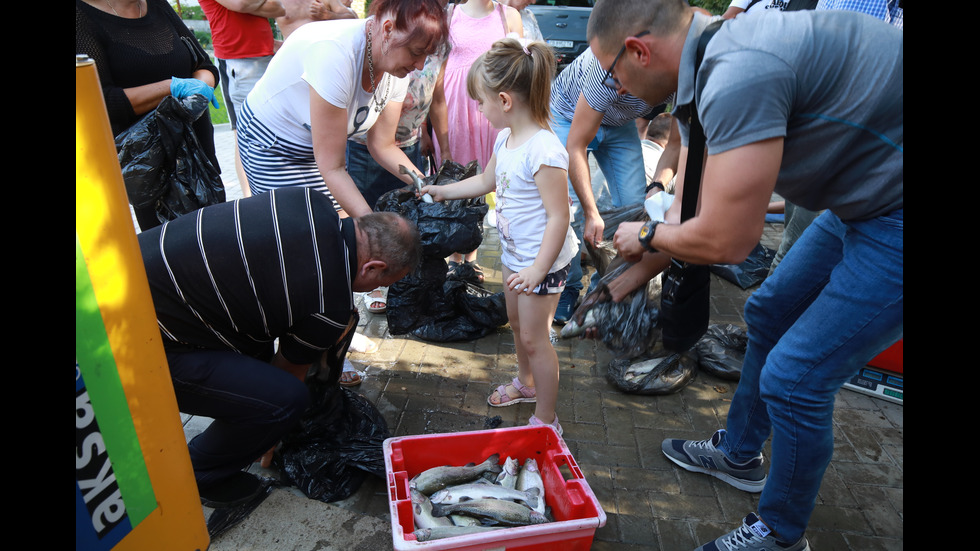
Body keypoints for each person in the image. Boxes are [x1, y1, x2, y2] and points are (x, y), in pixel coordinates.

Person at [587, 2, 902, 550]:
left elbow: (731, 241)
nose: (612, 90)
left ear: (639, 50)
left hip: (894, 215)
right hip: (865, 198)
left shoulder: (740, 70)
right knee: (768, 311)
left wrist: (645, 238)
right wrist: (636, 270)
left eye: (610, 72)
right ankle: (739, 455)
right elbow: (691, 210)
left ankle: (781, 535)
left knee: (795, 380)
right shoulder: (707, 61)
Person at [138, 187, 421, 528]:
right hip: (134, 347)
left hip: (116, 281)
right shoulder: (329, 303)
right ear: (374, 266)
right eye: (388, 281)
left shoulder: (309, 199)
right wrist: (271, 436)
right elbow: (288, 374)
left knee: (257, 357)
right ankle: (198, 473)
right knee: (284, 401)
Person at [420, 38, 577, 435]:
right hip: (515, 256)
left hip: (543, 263)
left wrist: (539, 270)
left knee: (535, 337)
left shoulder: (543, 150)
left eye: (480, 101)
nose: (478, 108)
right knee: (514, 321)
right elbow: (487, 180)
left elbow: (560, 216)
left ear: (504, 100)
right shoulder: (505, 140)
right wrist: (444, 190)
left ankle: (546, 418)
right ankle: (526, 384)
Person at [237, 0, 449, 216]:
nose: (420, 65)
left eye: (427, 55)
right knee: (298, 229)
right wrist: (372, 224)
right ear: (387, 30)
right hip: (272, 143)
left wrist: (427, 184)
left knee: (332, 229)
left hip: (317, 150)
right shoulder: (336, 54)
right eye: (416, 52)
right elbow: (332, 167)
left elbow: (383, 146)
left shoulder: (397, 69)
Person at [76, 0, 224, 232]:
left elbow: (203, 63)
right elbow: (99, 100)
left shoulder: (156, 4)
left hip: (199, 153)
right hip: (151, 168)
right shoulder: (81, 17)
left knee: (219, 240)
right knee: (174, 254)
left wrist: (201, 86)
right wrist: (170, 87)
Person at [547, 46, 662, 323]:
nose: (623, 91)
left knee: (635, 207)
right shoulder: (607, 70)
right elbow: (576, 144)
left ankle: (604, 286)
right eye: (620, 85)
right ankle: (567, 287)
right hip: (568, 114)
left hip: (620, 123)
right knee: (566, 207)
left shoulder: (675, 77)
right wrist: (591, 211)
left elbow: (678, 137)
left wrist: (658, 185)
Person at [429, 0, 524, 284]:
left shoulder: (508, 16)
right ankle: (451, 256)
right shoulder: (449, 14)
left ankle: (471, 257)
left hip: (492, 110)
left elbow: (518, 71)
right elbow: (435, 74)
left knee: (485, 181)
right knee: (454, 178)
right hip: (454, 108)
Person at [199, 0, 285, 199]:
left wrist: (252, 6)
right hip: (238, 61)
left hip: (264, 56)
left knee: (270, 129)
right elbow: (242, 3)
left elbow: (280, 7)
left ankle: (266, 196)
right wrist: (258, 6)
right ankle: (252, 201)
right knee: (246, 134)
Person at [276, 0, 357, 39]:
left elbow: (352, 18)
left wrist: (328, 15)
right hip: (293, 56)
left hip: (323, 54)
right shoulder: (276, 2)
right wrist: (275, 46)